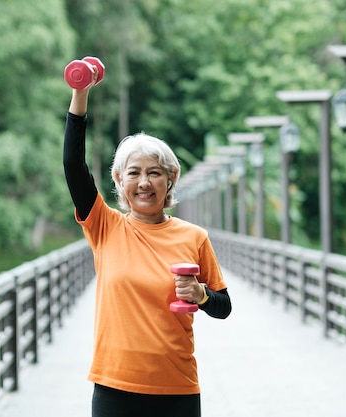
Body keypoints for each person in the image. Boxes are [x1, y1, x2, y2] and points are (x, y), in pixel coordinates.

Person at [63, 64, 232, 417]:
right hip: (114, 387)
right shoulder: (105, 226)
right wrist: (81, 92)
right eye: (134, 173)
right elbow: (73, 166)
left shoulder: (193, 236)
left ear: (171, 179)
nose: (144, 183)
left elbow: (223, 306)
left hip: (177, 388)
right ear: (119, 179)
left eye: (154, 173)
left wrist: (201, 295)